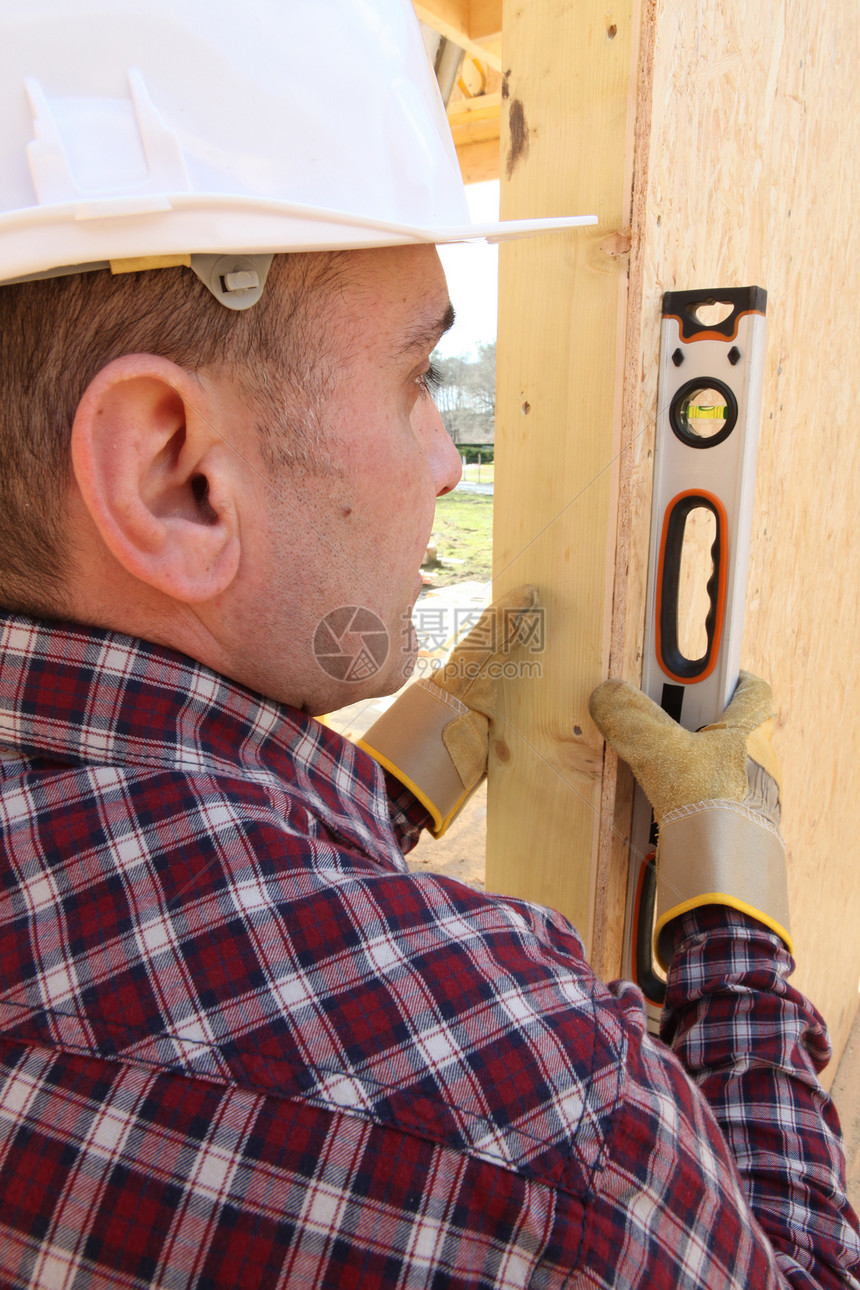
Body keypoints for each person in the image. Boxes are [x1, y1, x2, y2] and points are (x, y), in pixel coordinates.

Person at [0, 2, 857, 1287]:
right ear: (176, 475)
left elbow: (182, 903)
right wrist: (731, 912)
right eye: (417, 375)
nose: (451, 458)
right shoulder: (548, 1132)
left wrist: (424, 748)